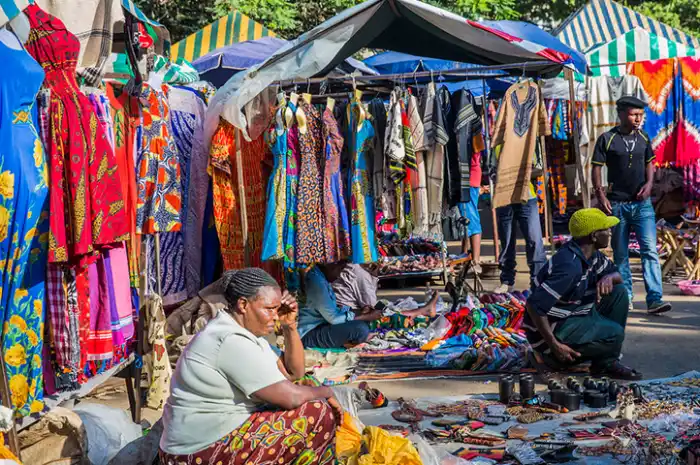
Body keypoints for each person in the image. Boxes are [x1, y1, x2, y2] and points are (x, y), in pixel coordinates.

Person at [159, 268, 340, 464]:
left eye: (277, 309)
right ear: (243, 304)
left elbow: (294, 373)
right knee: (316, 412)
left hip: (206, 441)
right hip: (197, 452)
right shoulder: (228, 339)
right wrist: (328, 391)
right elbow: (292, 397)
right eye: (269, 309)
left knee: (309, 384)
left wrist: (290, 327)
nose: (275, 316)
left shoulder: (243, 333)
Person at [524, 209, 642, 380]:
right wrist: (554, 345)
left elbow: (618, 276)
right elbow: (534, 306)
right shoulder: (569, 267)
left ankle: (606, 362)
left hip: (574, 313)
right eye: (606, 229)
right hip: (554, 327)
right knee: (614, 334)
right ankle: (550, 358)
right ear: (594, 236)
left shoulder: (593, 256)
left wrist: (609, 277)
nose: (610, 233)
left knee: (619, 292)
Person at [592, 96, 672, 315]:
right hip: (617, 204)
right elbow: (596, 167)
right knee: (620, 253)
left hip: (642, 206)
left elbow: (650, 163)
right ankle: (625, 298)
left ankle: (654, 299)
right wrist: (600, 194)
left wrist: (649, 184)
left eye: (640, 115)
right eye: (634, 114)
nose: (638, 119)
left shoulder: (644, 138)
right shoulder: (607, 139)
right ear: (621, 114)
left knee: (649, 250)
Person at [299, 262, 437, 348]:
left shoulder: (319, 277)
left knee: (371, 320)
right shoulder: (318, 281)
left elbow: (334, 311)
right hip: (308, 334)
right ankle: (419, 314)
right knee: (361, 328)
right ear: (331, 265)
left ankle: (419, 314)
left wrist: (362, 313)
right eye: (339, 270)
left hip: (326, 321)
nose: (339, 275)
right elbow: (334, 318)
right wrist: (364, 316)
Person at [494, 192, 547, 294]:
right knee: (507, 242)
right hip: (504, 197)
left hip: (527, 196)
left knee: (534, 240)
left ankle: (538, 281)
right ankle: (507, 281)